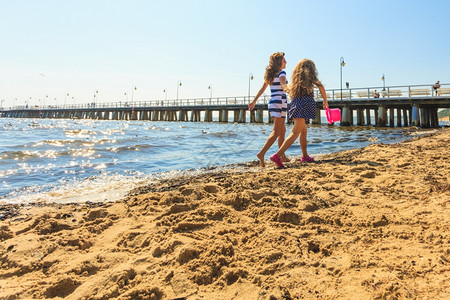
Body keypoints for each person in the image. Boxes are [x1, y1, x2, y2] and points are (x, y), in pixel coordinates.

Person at [269, 59, 328, 168]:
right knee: (295, 133)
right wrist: (325, 101)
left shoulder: (296, 81)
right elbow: (321, 86)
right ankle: (277, 155)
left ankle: (305, 156)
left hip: (296, 106)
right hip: (304, 108)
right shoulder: (311, 78)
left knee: (303, 132)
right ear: (310, 69)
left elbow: (291, 94)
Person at [248, 52, 290, 167]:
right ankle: (261, 154)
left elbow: (262, 89)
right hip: (280, 102)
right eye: (284, 60)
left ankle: (282, 155)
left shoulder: (271, 75)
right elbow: (283, 83)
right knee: (276, 132)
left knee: (282, 130)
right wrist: (290, 90)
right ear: (279, 62)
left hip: (272, 103)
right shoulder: (282, 72)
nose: (286, 62)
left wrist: (254, 101)